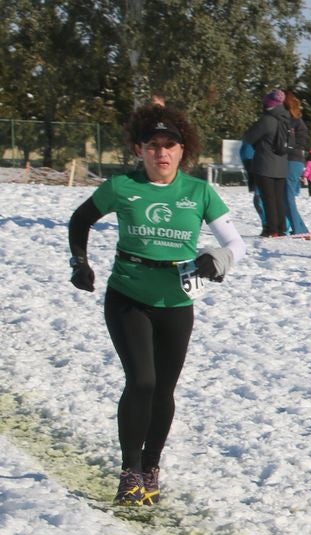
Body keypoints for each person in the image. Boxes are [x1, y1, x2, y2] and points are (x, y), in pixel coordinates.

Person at [66, 104, 247, 505]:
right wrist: (80, 262)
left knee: (164, 390)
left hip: (177, 301)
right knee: (142, 381)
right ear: (138, 149)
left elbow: (237, 244)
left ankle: (151, 466)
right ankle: (129, 470)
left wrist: (217, 259)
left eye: (170, 146)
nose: (161, 154)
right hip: (128, 296)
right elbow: (80, 220)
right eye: (153, 146)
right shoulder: (122, 187)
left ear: (183, 151)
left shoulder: (199, 192)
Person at [241, 88, 291, 236]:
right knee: (278, 199)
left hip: (265, 165)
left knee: (268, 199)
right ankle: (281, 228)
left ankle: (271, 229)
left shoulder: (267, 120)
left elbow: (249, 137)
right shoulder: (286, 119)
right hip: (281, 165)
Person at [282, 92, 310, 237]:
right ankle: (302, 229)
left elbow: (298, 143)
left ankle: (298, 231)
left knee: (287, 196)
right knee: (286, 197)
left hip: (293, 161)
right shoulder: (292, 120)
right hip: (292, 161)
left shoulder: (296, 122)